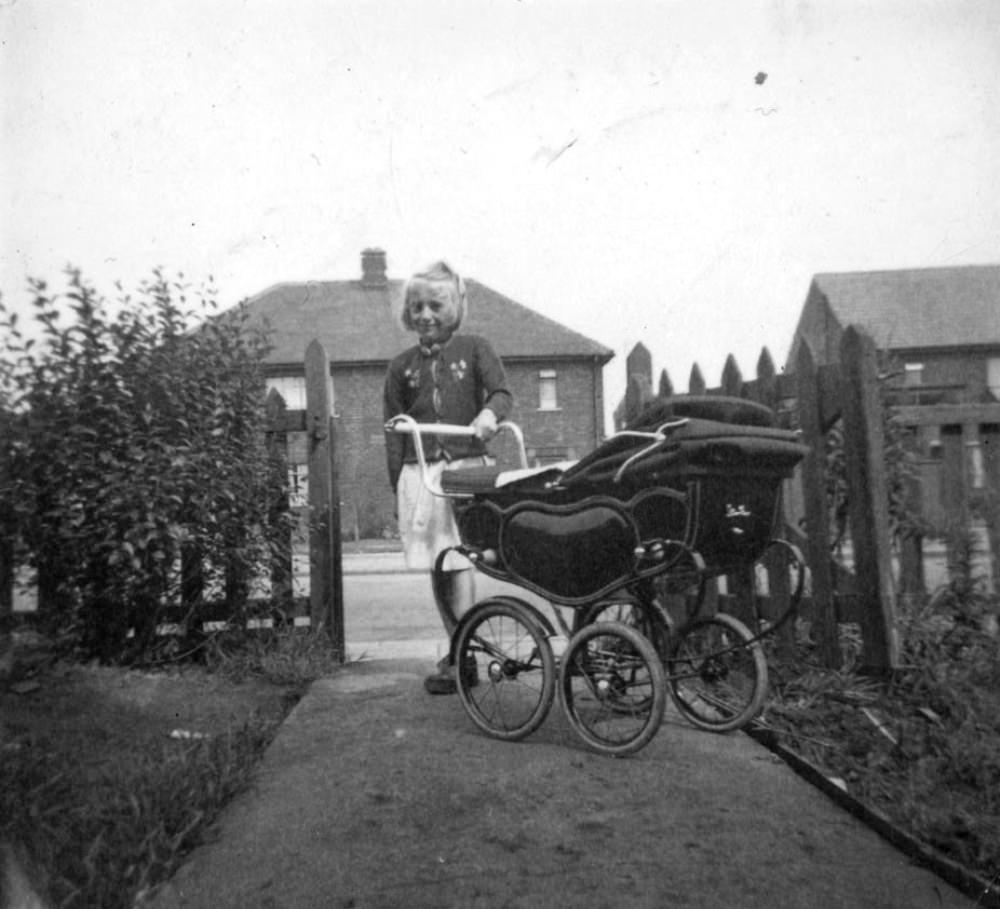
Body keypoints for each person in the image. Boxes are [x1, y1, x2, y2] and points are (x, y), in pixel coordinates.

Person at [383, 260, 513, 694]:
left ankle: (465, 649)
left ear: (454, 306)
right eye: (417, 306)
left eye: (435, 305)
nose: (425, 315)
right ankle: (460, 652)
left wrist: (489, 415)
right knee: (438, 567)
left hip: (464, 473)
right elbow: (393, 431)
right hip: (420, 476)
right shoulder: (399, 367)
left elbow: (501, 392)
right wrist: (398, 484)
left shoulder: (476, 349)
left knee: (459, 561)